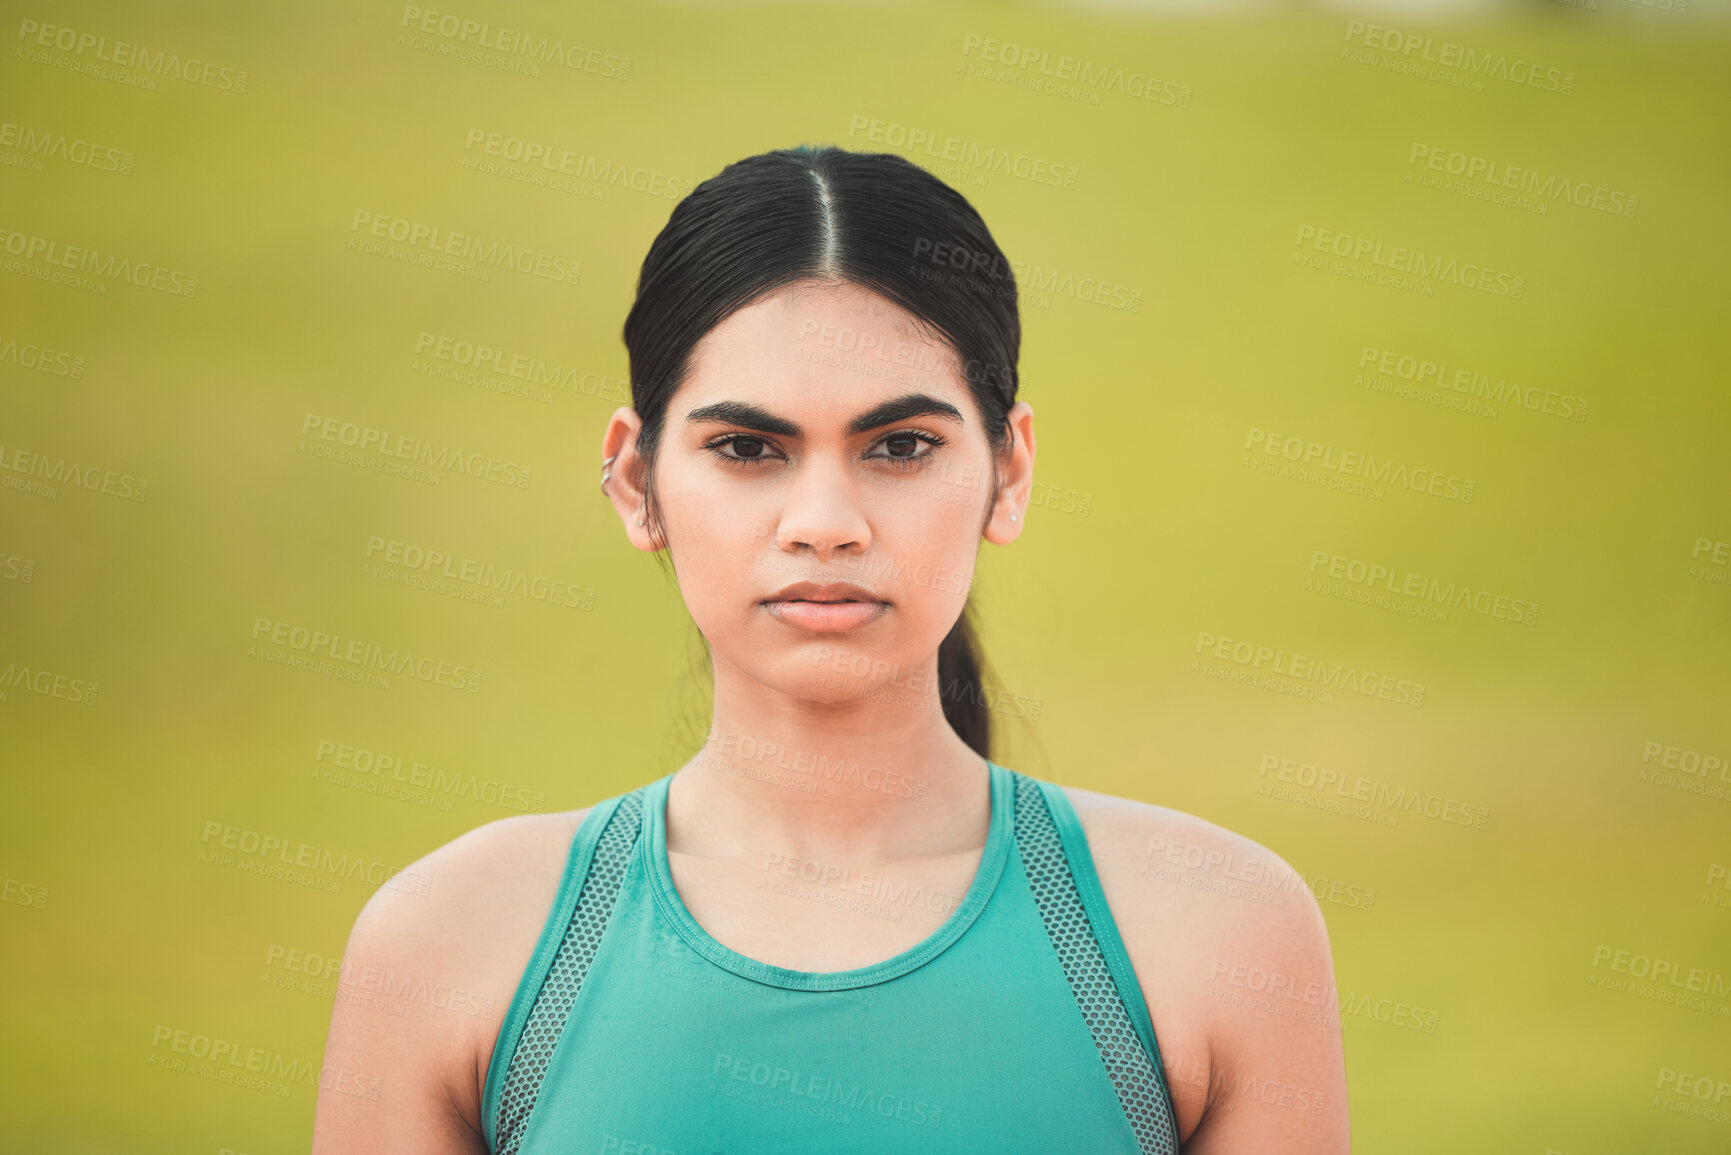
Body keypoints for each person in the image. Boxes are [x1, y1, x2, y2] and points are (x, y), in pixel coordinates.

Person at [312, 144, 1349, 1154]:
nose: (825, 522)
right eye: (747, 449)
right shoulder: (449, 941)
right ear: (635, 481)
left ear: (1010, 469)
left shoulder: (1218, 934)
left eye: (900, 447)